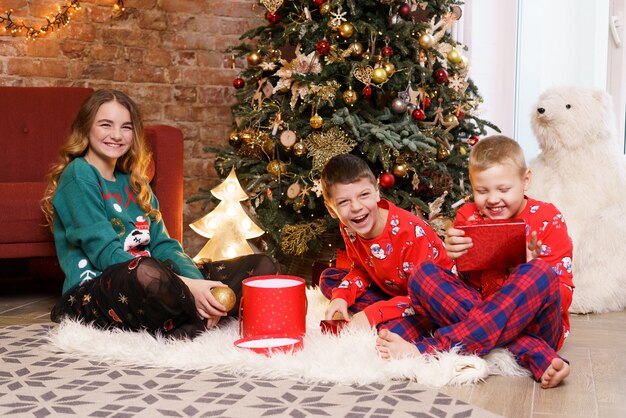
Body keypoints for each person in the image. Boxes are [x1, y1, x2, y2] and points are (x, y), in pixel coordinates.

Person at [40, 89, 278, 339]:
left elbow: (165, 246)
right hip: (101, 288)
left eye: (126, 127)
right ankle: (192, 315)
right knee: (147, 272)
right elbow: (106, 255)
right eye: (105, 125)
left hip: (161, 277)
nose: (116, 135)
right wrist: (188, 288)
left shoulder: (134, 181)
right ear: (86, 128)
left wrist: (198, 284)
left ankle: (192, 312)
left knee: (262, 265)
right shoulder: (79, 175)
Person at [376, 135, 574, 389]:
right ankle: (531, 351)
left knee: (539, 272)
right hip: (488, 314)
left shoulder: (549, 217)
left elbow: (562, 298)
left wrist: (522, 267)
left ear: (525, 181)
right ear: (472, 186)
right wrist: (455, 258)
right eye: (482, 191)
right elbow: (465, 290)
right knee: (422, 273)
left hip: (539, 326)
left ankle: (428, 350)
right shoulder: (468, 215)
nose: (492, 199)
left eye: (503, 190)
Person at [319, 153, 455, 336]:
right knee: (329, 279)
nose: (356, 207)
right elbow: (361, 270)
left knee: (390, 332)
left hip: (431, 299)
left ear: (377, 192)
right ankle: (387, 310)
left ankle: (386, 314)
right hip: (391, 289)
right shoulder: (348, 226)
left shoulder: (409, 232)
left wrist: (373, 314)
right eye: (343, 202)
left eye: (364, 195)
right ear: (331, 210)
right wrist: (341, 297)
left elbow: (422, 297)